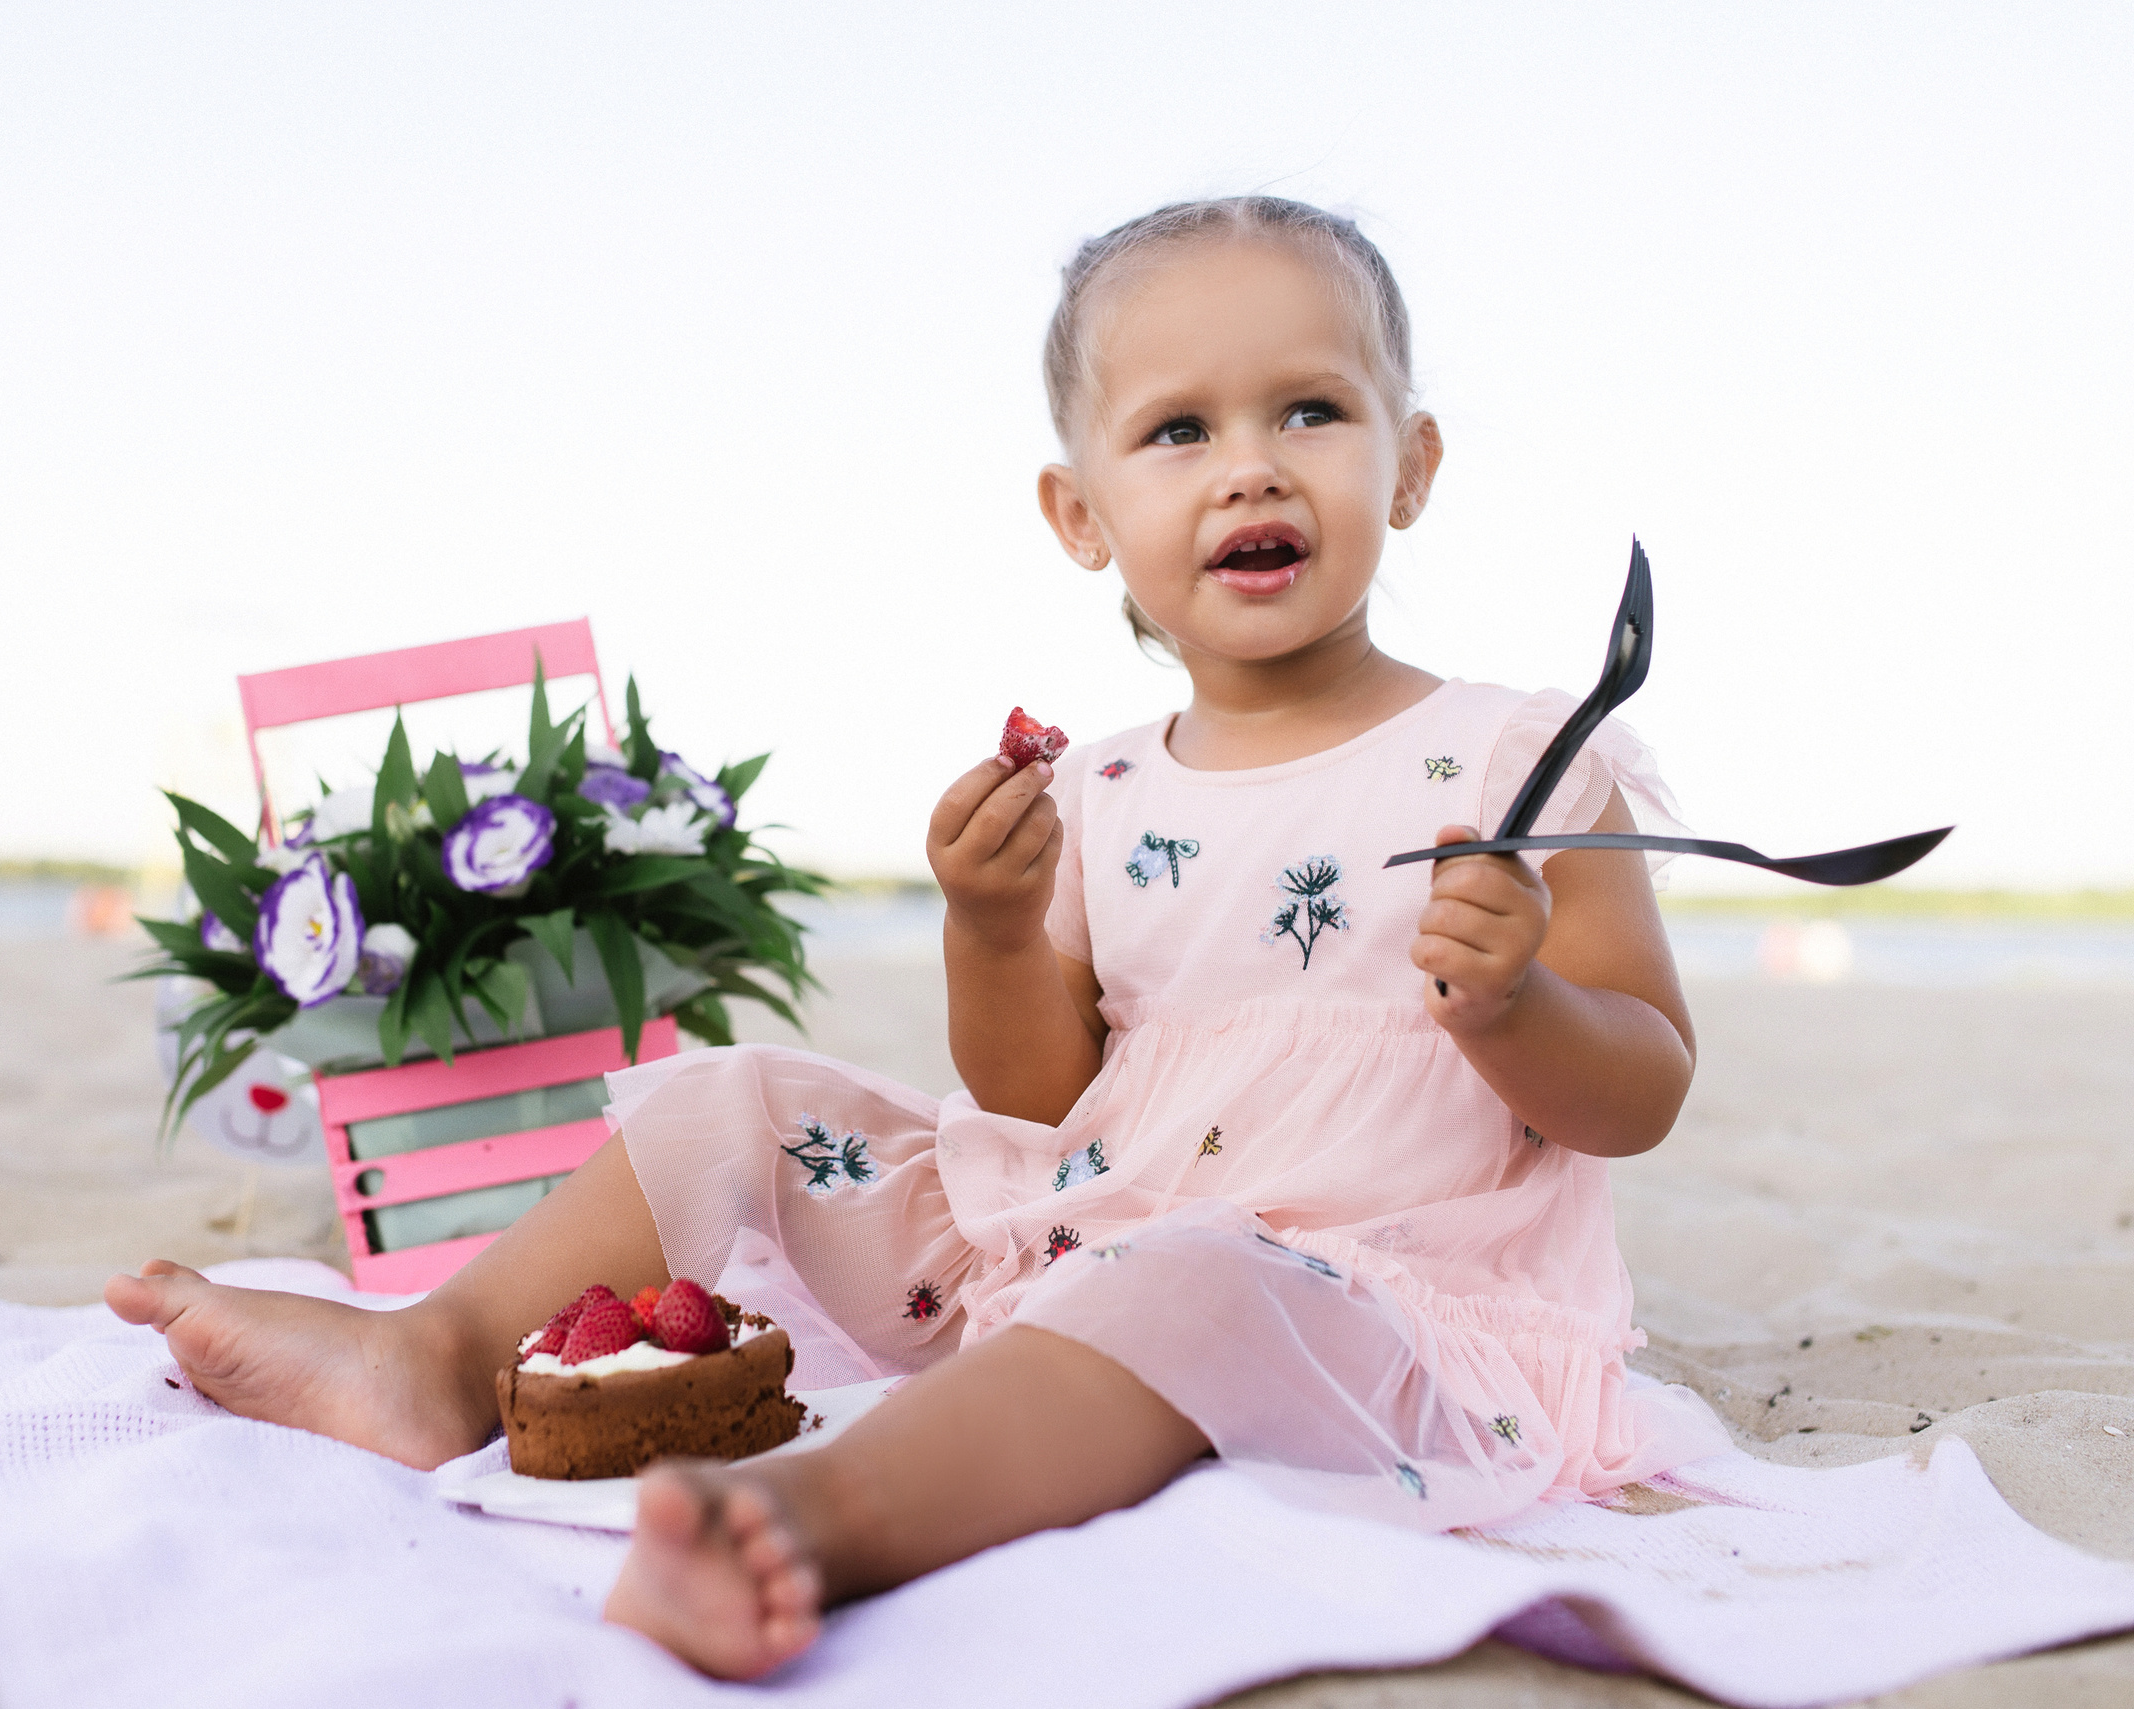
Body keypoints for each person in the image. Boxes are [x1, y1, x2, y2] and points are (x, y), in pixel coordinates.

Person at [105, 196, 1732, 1681]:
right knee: (738, 1092)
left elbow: (1640, 1087)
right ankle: (441, 1353)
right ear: (1082, 513)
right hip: (1086, 1224)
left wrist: (1514, 1002)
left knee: (1190, 1275)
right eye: (1178, 430)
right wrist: (993, 923)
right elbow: (1035, 1095)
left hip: (1374, 1301)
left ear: (1415, 462)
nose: (1251, 464)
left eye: (1312, 408)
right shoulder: (1097, 786)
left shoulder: (1526, 761)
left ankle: (821, 1519)